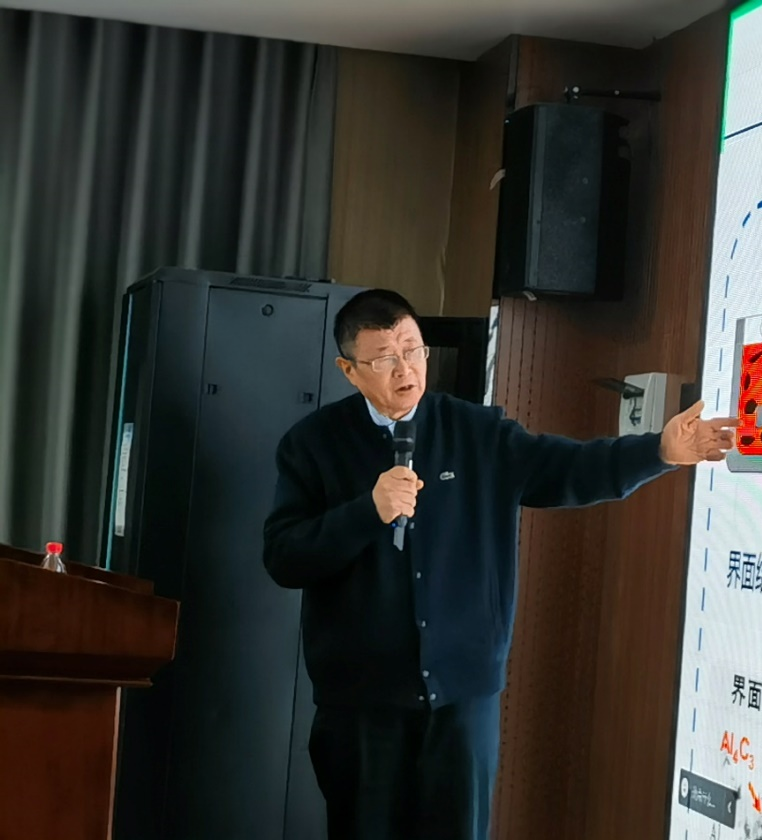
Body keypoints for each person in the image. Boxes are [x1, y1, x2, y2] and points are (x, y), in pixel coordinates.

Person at [262, 289, 735, 840]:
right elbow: (284, 558)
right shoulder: (312, 445)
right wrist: (367, 511)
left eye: (412, 349)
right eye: (385, 358)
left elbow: (570, 468)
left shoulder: (477, 432)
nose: (405, 369)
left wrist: (658, 452)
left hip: (463, 700)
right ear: (349, 370)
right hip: (361, 708)